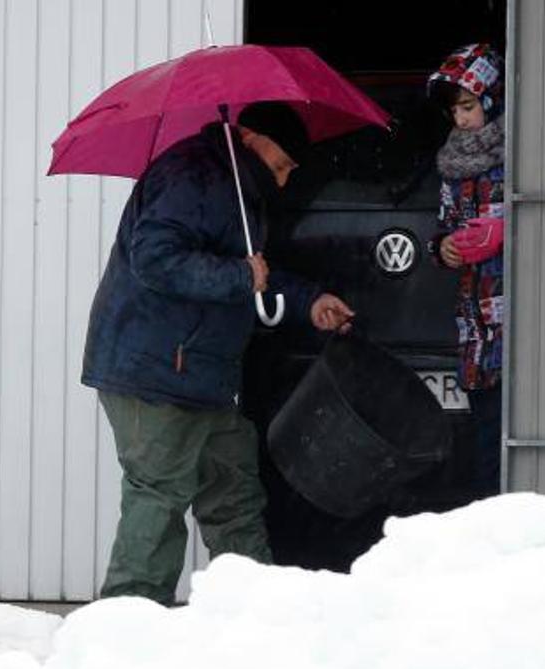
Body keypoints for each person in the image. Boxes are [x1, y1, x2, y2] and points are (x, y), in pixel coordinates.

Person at [82, 101, 355, 606]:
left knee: (234, 494)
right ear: (250, 136)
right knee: (159, 499)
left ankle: (251, 612)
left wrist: (308, 301)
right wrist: (236, 276)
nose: (289, 173)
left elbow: (254, 272)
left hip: (201, 377)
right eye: (286, 159)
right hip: (156, 372)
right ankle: (127, 628)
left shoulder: (238, 187)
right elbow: (155, 258)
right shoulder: (191, 175)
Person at [426, 43, 506, 499]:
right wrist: (444, 248)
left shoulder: (521, 153)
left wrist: (507, 230)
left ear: (492, 100)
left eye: (469, 106)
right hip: (475, 328)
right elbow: (441, 231)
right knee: (481, 444)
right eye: (455, 110)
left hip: (515, 324)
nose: (461, 119)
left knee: (506, 443)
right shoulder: (452, 167)